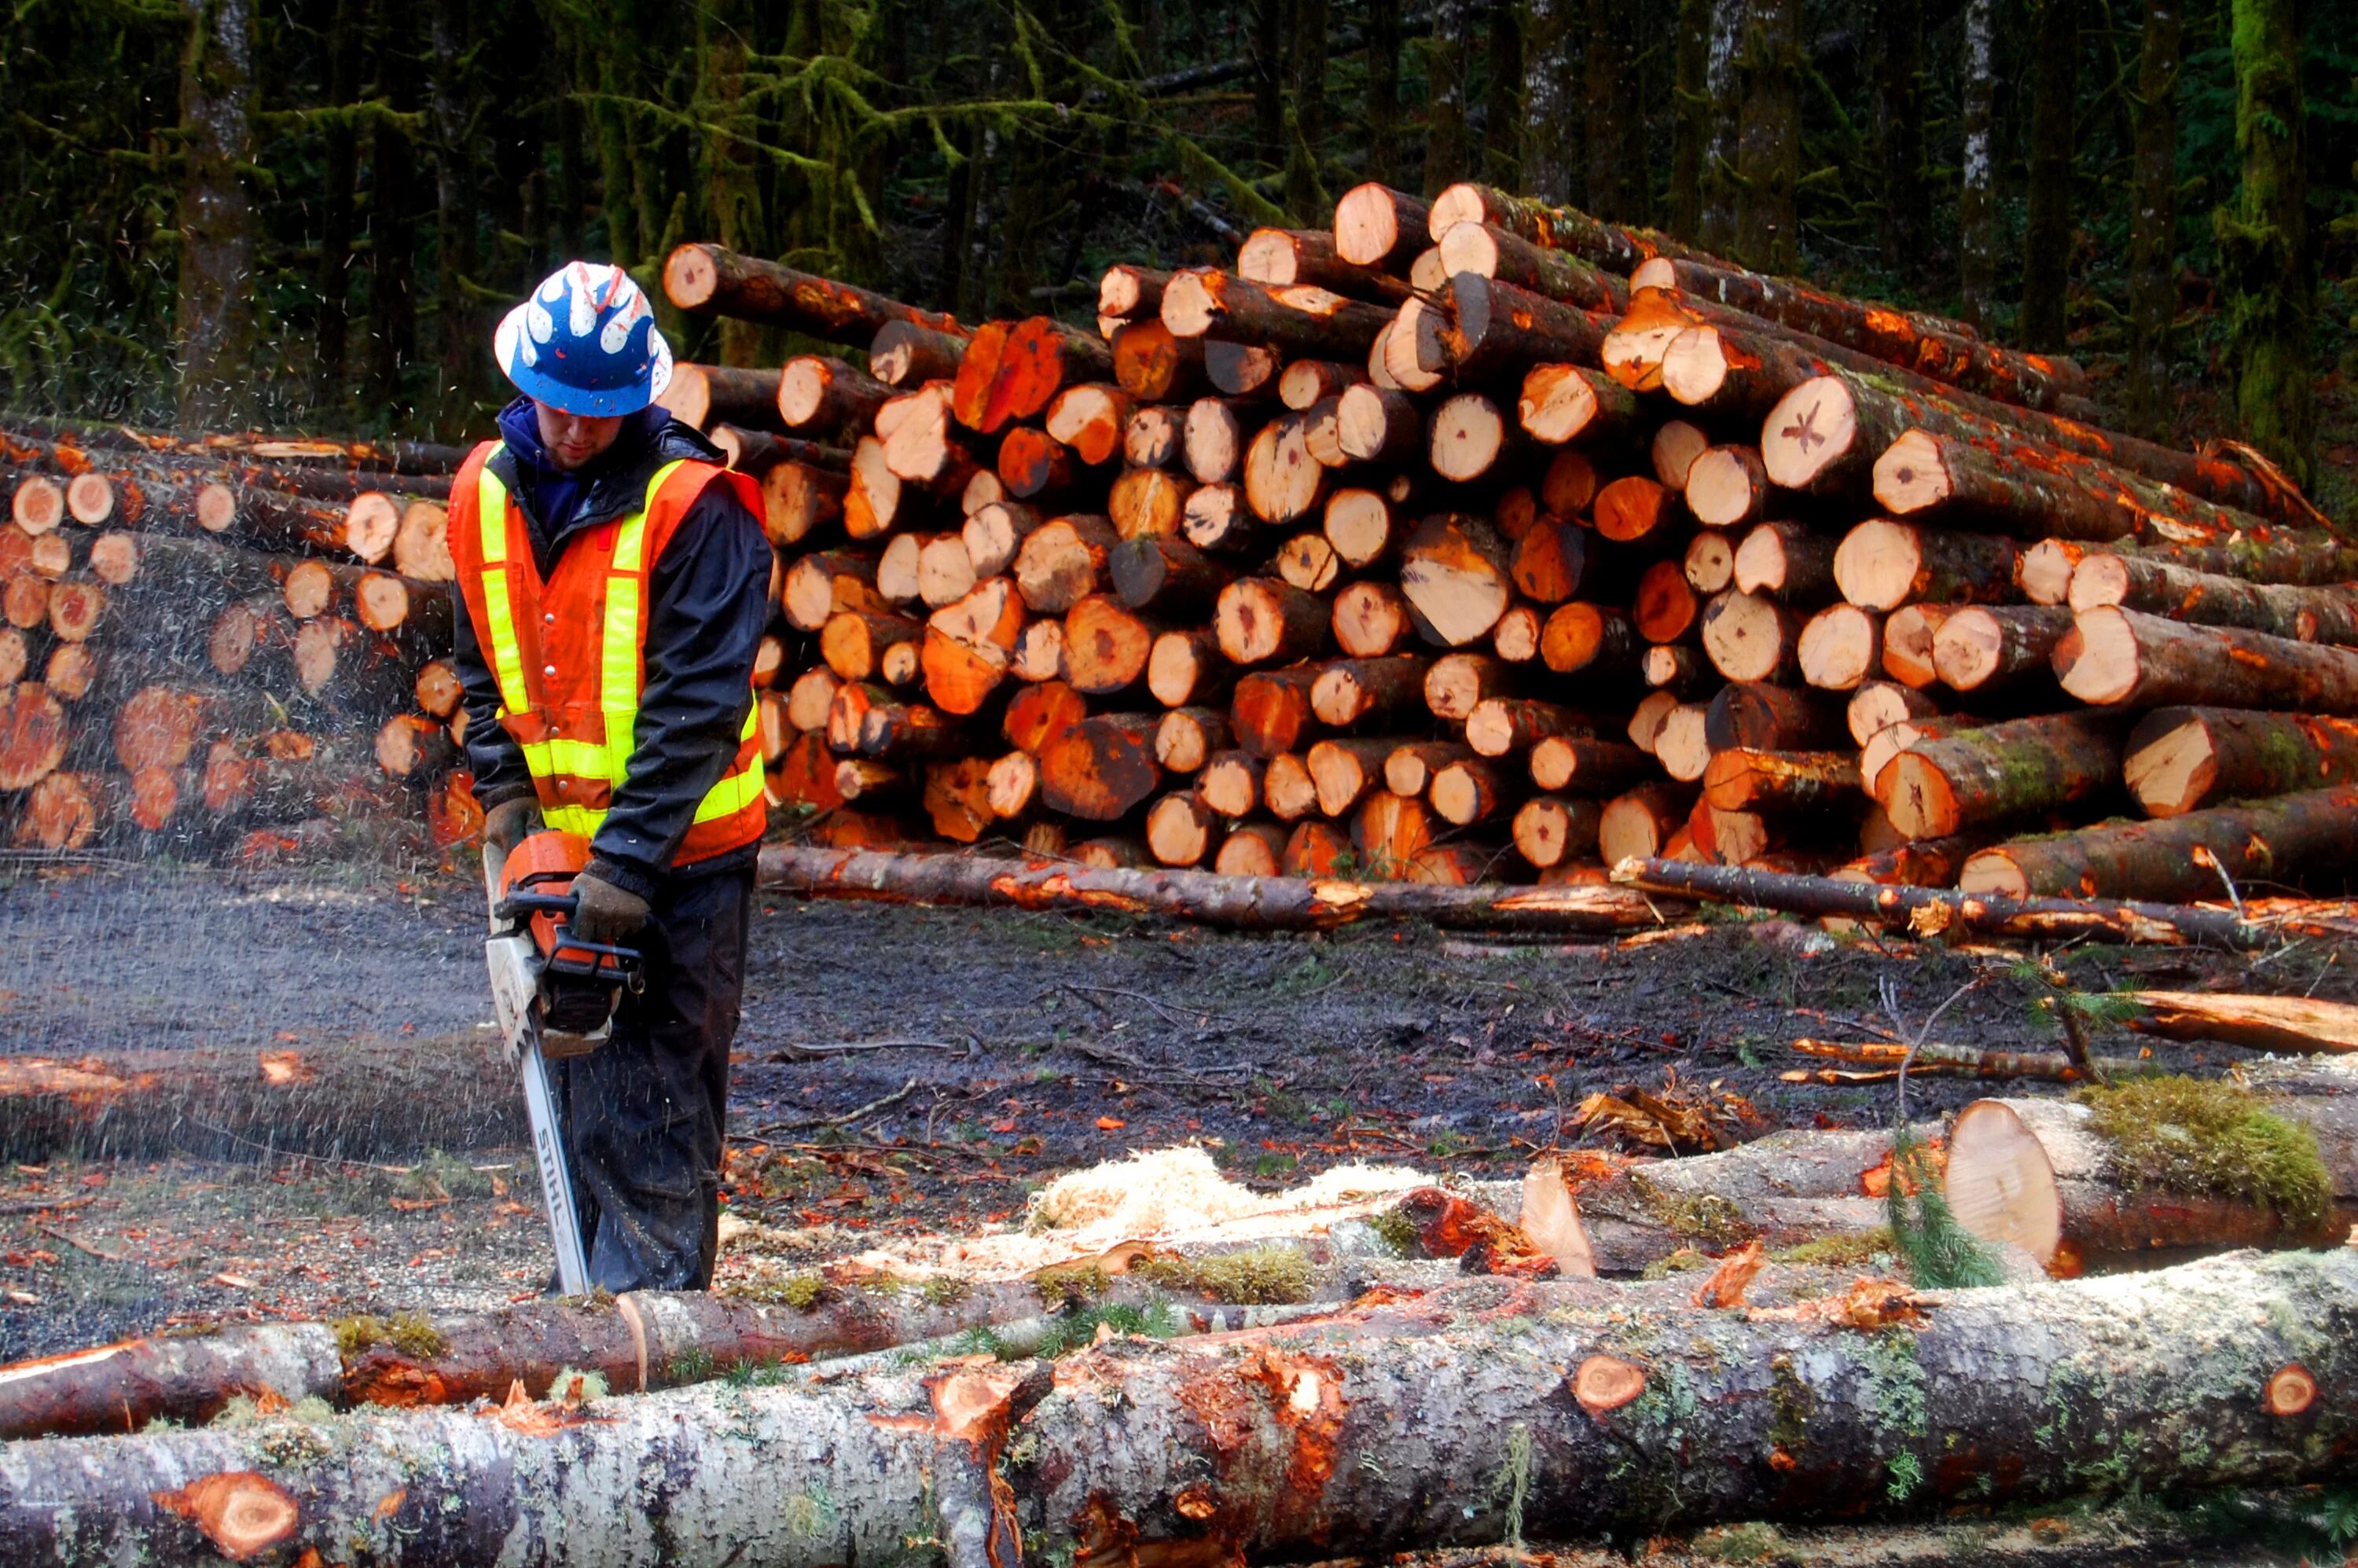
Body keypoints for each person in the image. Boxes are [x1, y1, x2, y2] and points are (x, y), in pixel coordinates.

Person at [447, 261, 770, 1291]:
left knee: (658, 1102)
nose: (574, 433)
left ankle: (654, 1344)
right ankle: (581, 1307)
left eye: (598, 414)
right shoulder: (479, 496)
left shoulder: (698, 511)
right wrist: (504, 797)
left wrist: (626, 872)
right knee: (578, 1086)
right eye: (558, 410)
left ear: (640, 399)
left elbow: (696, 709)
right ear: (524, 385)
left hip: (685, 861)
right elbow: (479, 660)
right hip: (558, 844)